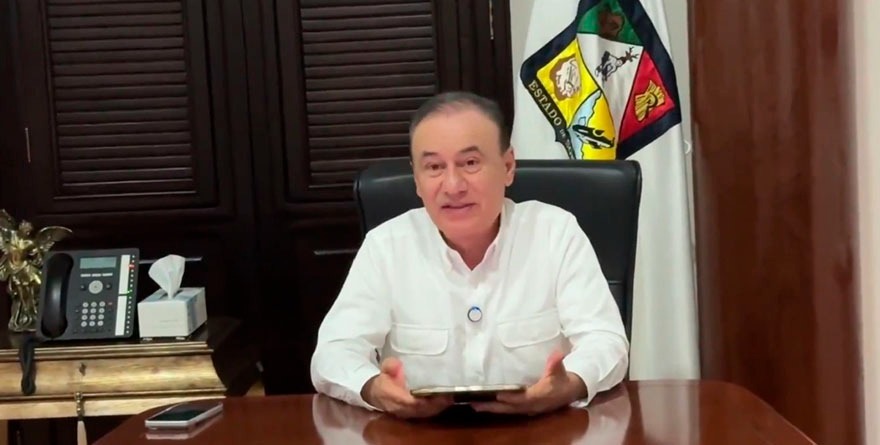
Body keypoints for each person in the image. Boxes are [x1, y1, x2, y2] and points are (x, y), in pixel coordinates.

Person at [310, 91, 629, 419]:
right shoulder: (386, 246)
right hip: (420, 436)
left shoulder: (554, 232)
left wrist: (569, 385)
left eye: (470, 163)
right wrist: (374, 389)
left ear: (508, 167)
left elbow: (606, 341)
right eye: (434, 167)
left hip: (541, 432)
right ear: (417, 179)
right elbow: (333, 353)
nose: (453, 185)